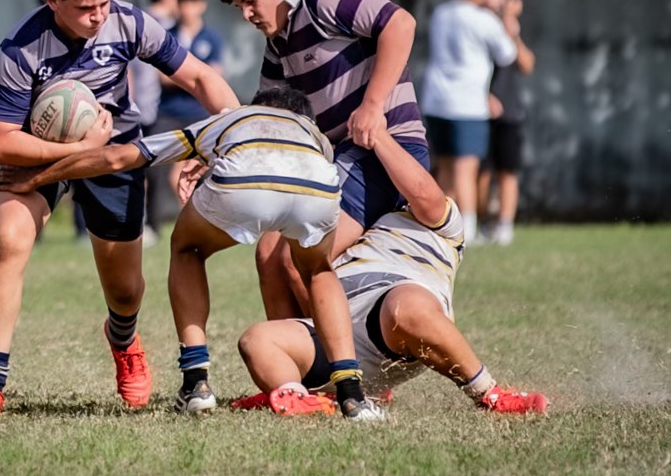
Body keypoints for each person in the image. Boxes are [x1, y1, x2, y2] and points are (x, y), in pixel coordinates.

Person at [0, 0, 239, 417]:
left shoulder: (127, 21)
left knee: (124, 289)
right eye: (85, 8)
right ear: (52, 1)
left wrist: (234, 132)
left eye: (103, 2)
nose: (99, 15)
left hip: (116, 153)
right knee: (8, 238)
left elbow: (200, 78)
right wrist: (75, 147)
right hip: (39, 153)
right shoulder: (22, 49)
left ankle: (123, 341)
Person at [0, 86, 385, 421]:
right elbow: (289, 173)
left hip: (241, 184)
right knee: (318, 269)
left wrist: (36, 177)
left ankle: (196, 382)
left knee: (188, 249)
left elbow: (119, 158)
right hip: (317, 186)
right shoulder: (315, 134)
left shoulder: (232, 119)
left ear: (257, 106)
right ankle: (351, 392)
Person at [234, 116, 548, 416]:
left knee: (405, 306)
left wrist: (379, 135)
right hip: (340, 338)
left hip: (393, 322)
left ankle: (489, 392)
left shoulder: (443, 222)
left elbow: (423, 192)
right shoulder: (351, 224)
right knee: (257, 340)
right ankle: (301, 395)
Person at [215, 0, 428, 320]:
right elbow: (266, 119)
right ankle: (295, 375)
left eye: (250, 0)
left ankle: (349, 371)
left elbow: (400, 22)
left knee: (299, 256)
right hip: (343, 160)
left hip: (386, 151)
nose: (247, 14)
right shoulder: (277, 44)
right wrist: (212, 153)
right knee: (267, 254)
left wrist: (372, 106)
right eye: (239, 8)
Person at [420, 0, 523, 242]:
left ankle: (437, 226)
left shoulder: (442, 12)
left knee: (444, 167)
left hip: (436, 99)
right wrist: (508, 21)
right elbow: (507, 54)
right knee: (466, 169)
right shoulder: (482, 19)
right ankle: (467, 230)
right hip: (466, 103)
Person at [150, 0, 225, 227]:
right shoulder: (167, 34)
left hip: (200, 113)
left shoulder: (211, 37)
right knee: (154, 168)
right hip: (168, 113)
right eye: (184, 3)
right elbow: (163, 76)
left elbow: (216, 75)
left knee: (203, 170)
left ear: (201, 6)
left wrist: (186, 77)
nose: (188, 9)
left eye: (193, 3)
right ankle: (153, 224)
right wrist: (195, 79)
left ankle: (201, 220)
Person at [478, 0, 535, 246]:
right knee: (480, 172)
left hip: (510, 111)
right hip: (477, 110)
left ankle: (504, 226)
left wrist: (512, 29)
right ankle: (479, 223)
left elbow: (526, 64)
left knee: (507, 171)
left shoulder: (509, 30)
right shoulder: (476, 28)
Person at [130, 0, 180, 246]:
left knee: (138, 169)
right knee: (154, 172)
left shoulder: (135, 20)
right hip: (157, 108)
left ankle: (143, 224)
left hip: (134, 106)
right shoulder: (168, 25)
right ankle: (149, 224)